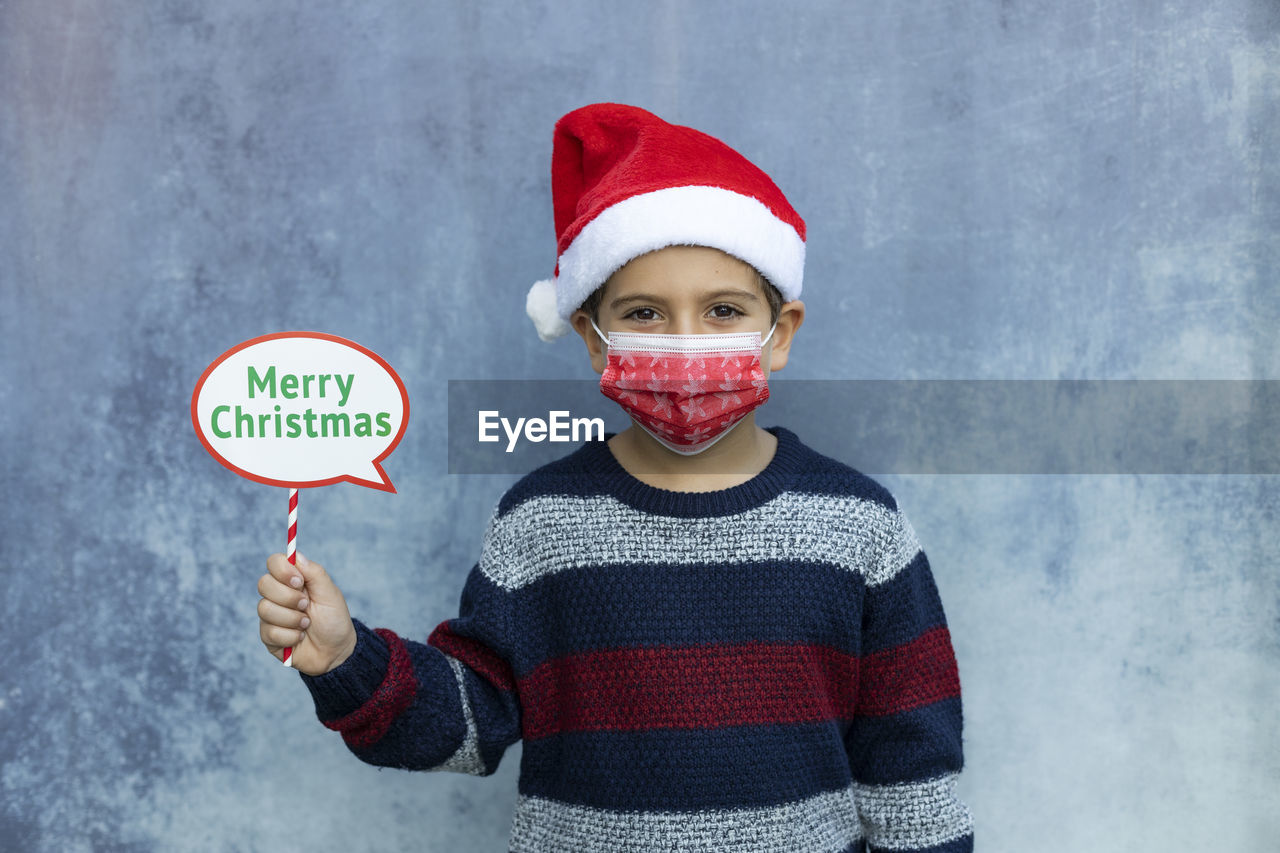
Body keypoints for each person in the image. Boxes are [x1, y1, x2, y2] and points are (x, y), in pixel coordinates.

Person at [256, 102, 975, 853]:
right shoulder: (540, 521)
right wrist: (345, 659)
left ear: (779, 334)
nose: (687, 340)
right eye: (645, 313)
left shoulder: (861, 526)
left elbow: (914, 779)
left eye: (724, 310)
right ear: (595, 340)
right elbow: (471, 719)